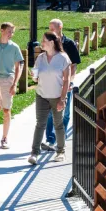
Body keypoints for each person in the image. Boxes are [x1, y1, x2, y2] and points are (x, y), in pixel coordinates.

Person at [29, 31, 71, 163]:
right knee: (39, 124)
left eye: (44, 41)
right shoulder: (40, 58)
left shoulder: (63, 58)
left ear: (52, 43)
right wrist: (33, 76)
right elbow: (36, 78)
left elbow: (66, 80)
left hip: (57, 96)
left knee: (58, 124)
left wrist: (62, 99)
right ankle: (34, 153)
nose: (42, 43)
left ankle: (60, 152)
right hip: (42, 95)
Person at [42, 17, 80, 150]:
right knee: (51, 112)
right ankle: (50, 139)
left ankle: (60, 137)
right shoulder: (49, 43)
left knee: (66, 112)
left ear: (60, 28)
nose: (50, 30)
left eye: (52, 28)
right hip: (53, 82)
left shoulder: (69, 44)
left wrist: (70, 80)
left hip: (66, 81)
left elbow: (74, 65)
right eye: (49, 28)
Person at [0, 22, 23, 149]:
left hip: (8, 80)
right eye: (9, 31)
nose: (11, 34)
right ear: (1, 30)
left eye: (12, 32)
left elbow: (19, 65)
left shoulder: (14, 47)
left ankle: (4, 138)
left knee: (6, 110)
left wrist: (15, 84)